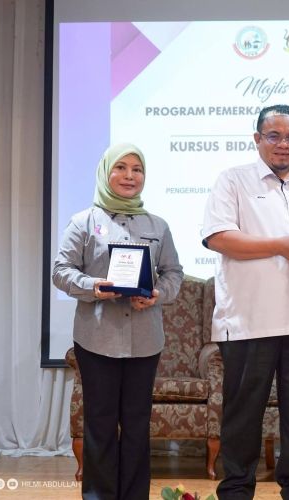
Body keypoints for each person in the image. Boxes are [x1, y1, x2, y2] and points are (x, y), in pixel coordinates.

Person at [203, 104, 289, 500]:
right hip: (249, 320)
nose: (283, 144)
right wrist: (279, 246)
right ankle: (236, 490)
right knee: (243, 414)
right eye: (274, 136)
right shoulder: (233, 180)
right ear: (257, 139)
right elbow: (218, 238)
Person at [53, 143, 184, 499]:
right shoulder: (83, 222)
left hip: (145, 341)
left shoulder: (158, 225)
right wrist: (93, 286)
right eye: (121, 168)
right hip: (97, 340)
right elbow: (61, 271)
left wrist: (157, 294)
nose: (129, 176)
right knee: (100, 422)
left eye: (137, 169)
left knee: (138, 423)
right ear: (105, 173)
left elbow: (173, 272)